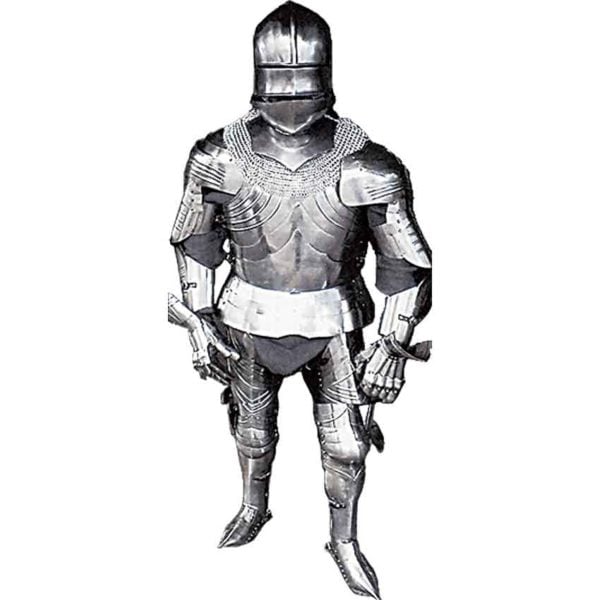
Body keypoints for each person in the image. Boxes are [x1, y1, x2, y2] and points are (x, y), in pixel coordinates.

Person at [169, 3, 431, 598]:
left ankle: (344, 540)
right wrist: (198, 320)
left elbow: (405, 265)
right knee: (252, 432)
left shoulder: (369, 166)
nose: (290, 98)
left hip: (334, 320)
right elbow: (194, 242)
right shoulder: (217, 158)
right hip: (245, 317)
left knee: (346, 445)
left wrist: (391, 346)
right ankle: (252, 506)